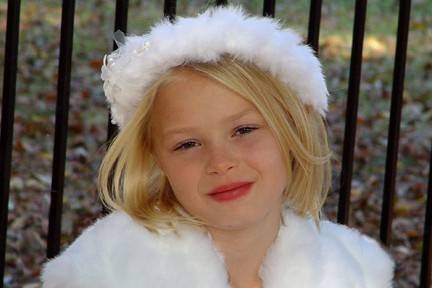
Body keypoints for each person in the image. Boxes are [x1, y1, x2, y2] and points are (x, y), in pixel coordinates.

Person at [40, 4, 395, 288]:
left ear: (294, 130)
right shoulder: (102, 271)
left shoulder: (354, 272)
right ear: (156, 159)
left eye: (243, 130)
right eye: (188, 144)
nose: (221, 162)